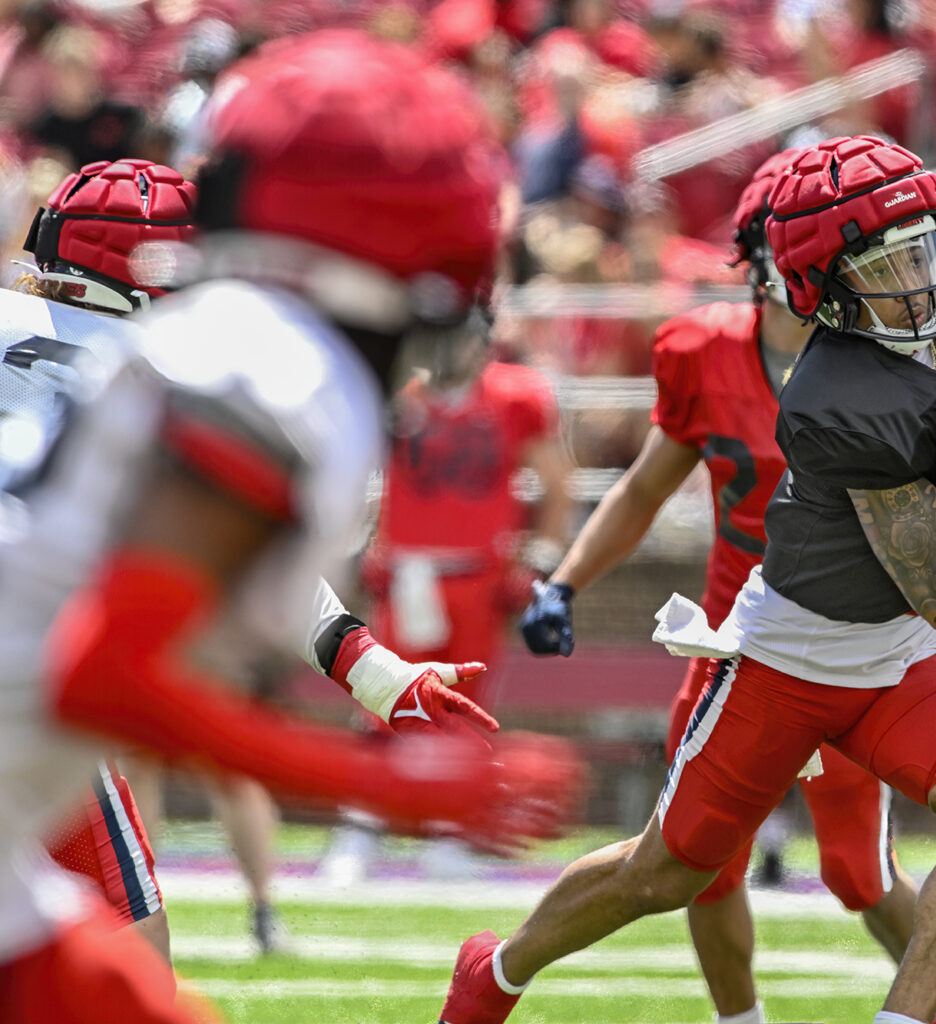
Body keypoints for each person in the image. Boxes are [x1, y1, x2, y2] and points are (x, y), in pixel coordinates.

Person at [440, 134, 936, 1024]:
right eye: (886, 264)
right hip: (790, 658)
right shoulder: (836, 397)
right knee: (668, 871)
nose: (920, 275)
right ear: (821, 288)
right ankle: (496, 972)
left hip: (897, 657)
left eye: (923, 244)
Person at [0, 34, 583, 1024]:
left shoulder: (192, 362)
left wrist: (375, 674)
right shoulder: (273, 374)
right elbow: (107, 669)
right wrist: (384, 787)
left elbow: (187, 543)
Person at [520, 147, 936, 1024]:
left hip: (845, 643)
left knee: (857, 870)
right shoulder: (701, 351)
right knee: (699, 861)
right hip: (737, 645)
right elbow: (647, 487)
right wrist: (563, 579)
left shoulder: (889, 361)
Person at [319, 310, 575, 884]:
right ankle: (362, 824)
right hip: (409, 574)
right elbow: (366, 476)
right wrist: (369, 544)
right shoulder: (401, 395)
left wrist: (539, 558)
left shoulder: (516, 396)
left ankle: (450, 830)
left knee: (464, 701)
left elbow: (557, 480)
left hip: (479, 575)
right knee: (379, 694)